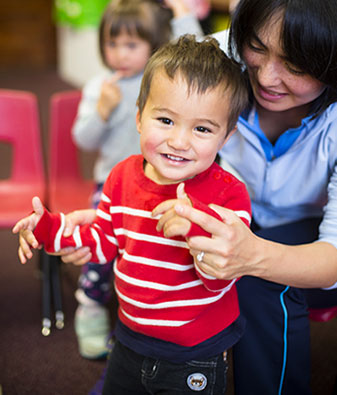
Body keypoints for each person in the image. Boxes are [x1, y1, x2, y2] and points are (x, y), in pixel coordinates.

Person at [25, 0, 337, 393]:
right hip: (208, 222)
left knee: (259, 285)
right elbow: (158, 108)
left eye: (296, 66)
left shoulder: (238, 184)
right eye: (257, 46)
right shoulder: (218, 58)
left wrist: (248, 254)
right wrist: (112, 214)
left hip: (300, 230)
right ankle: (133, 365)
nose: (267, 77)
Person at [13, 34, 251, 394]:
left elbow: (221, 278)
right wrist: (47, 228)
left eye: (202, 128)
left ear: (226, 138)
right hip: (128, 337)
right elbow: (102, 241)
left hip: (195, 352)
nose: (180, 141)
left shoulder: (229, 194)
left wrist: (195, 229)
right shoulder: (122, 176)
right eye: (166, 120)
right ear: (139, 118)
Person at [68, 0, 203, 359]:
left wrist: (182, 13)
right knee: (99, 245)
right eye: (112, 44)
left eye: (131, 45)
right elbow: (83, 139)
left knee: (161, 249)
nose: (119, 54)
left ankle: (155, 310)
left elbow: (199, 48)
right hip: (112, 186)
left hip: (161, 184)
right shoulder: (101, 86)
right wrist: (102, 110)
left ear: (154, 44)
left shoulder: (162, 83)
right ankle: (92, 306)